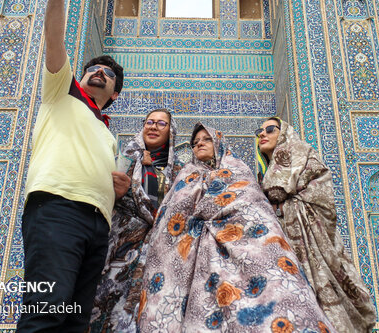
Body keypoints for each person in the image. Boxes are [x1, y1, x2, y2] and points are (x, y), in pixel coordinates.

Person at [16, 0, 131, 333]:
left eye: (107, 74)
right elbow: (54, 37)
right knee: (46, 312)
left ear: (115, 94)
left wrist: (120, 188)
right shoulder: (61, 93)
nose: (97, 73)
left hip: (97, 224)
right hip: (57, 208)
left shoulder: (108, 135)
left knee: (75, 323)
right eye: (91, 69)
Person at [137, 123, 336, 332]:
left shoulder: (237, 168)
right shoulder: (186, 174)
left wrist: (210, 206)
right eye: (195, 143)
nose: (199, 145)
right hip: (193, 255)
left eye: (206, 139)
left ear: (218, 142)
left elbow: (250, 201)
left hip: (243, 244)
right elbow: (173, 212)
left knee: (278, 290)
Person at [257, 116, 377, 332]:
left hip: (311, 243)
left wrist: (283, 208)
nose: (262, 134)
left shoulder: (302, 154)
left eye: (270, 129)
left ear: (283, 133)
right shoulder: (262, 174)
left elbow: (322, 200)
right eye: (260, 131)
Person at [89, 109, 183, 332]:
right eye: (149, 122)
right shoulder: (123, 161)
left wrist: (131, 188)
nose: (153, 127)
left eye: (161, 124)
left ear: (171, 132)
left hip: (156, 251)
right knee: (100, 301)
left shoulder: (179, 172)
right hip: (115, 245)